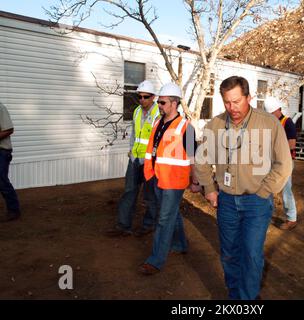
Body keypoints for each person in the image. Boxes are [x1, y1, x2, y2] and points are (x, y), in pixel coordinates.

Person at [194, 76, 291, 300]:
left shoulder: (269, 123)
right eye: (227, 102)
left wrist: (265, 191)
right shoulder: (215, 124)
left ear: (249, 97)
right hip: (226, 201)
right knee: (229, 254)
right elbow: (202, 160)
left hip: (256, 201)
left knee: (251, 254)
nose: (232, 108)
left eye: (237, 101)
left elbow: (284, 163)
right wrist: (209, 187)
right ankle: (235, 295)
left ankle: (247, 298)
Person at [138, 83, 199, 275]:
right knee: (171, 214)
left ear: (174, 103)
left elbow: (193, 158)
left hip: (174, 181)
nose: (159, 105)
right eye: (158, 102)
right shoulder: (158, 123)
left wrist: (196, 181)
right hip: (157, 177)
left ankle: (155, 261)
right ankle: (180, 244)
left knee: (164, 218)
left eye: (162, 102)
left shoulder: (186, 128)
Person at [105, 80, 160, 237]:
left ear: (153, 97)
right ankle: (123, 226)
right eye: (140, 97)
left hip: (149, 163)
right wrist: (131, 151)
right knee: (129, 192)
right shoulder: (136, 111)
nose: (142, 100)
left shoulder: (159, 114)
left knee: (150, 196)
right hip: (135, 160)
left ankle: (148, 225)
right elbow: (135, 135)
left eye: (146, 97)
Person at [264, 96, 298, 230]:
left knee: (286, 189)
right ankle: (265, 216)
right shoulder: (269, 123)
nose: (270, 116)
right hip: (269, 160)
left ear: (278, 109)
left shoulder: (287, 122)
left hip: (285, 162)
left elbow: (292, 144)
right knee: (267, 188)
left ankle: (291, 218)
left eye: (271, 113)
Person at [0, 102, 21, 222]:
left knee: (1, 180)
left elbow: (9, 129)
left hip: (2, 151)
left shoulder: (0, 108)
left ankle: (14, 210)